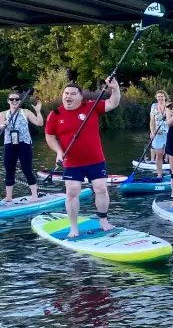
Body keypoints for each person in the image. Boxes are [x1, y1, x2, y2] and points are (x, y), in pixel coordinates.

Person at [44, 80, 120, 236]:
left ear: (80, 97)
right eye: (66, 93)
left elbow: (113, 102)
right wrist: (58, 152)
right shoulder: (55, 115)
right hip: (72, 162)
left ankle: (103, 221)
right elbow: (50, 136)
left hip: (95, 160)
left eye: (73, 94)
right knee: (72, 192)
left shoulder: (91, 106)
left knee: (101, 189)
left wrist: (115, 87)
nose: (68, 97)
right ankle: (74, 228)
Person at [1, 90, 43, 202]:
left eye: (16, 99)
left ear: (20, 101)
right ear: (8, 101)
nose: (14, 101)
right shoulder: (3, 114)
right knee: (9, 169)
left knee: (27, 169)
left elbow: (39, 123)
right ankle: (9, 196)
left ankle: (34, 195)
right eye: (12, 99)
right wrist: (3, 124)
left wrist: (38, 112)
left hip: (24, 144)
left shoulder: (26, 112)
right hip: (10, 144)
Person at [149, 90, 169, 180]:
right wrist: (152, 132)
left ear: (165, 97)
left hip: (169, 133)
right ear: (156, 98)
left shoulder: (170, 107)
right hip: (158, 134)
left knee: (171, 154)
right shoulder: (154, 109)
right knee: (159, 155)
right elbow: (152, 122)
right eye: (158, 97)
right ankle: (159, 174)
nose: (160, 98)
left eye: (162, 96)